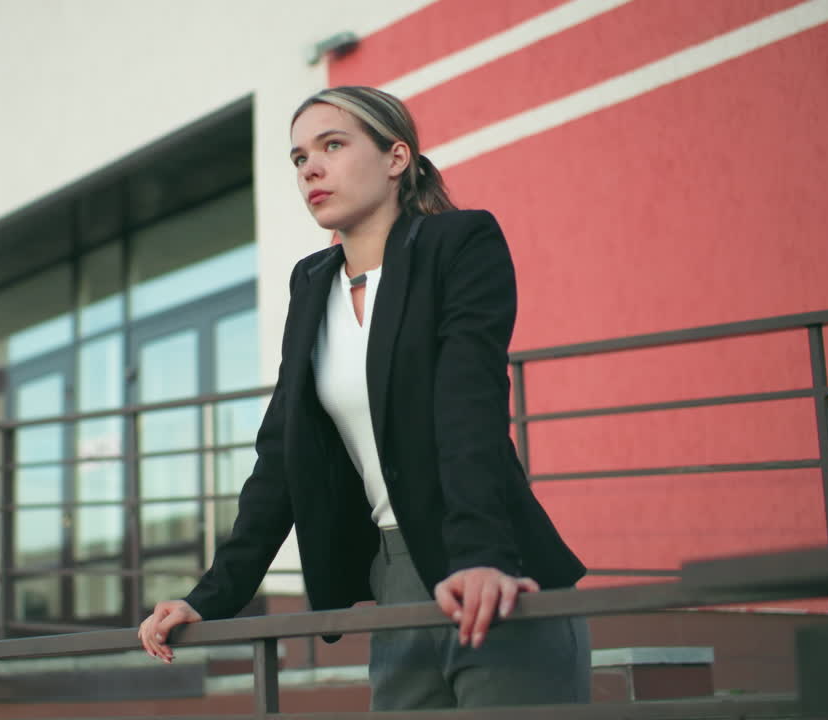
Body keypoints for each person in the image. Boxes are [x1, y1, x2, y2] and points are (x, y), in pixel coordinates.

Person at [137, 86, 590, 709]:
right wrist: (209, 596)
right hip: (394, 583)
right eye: (298, 158)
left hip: (491, 566)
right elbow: (281, 459)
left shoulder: (457, 245)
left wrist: (486, 557)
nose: (311, 169)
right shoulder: (311, 285)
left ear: (396, 157)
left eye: (332, 145)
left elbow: (470, 406)